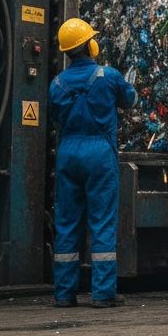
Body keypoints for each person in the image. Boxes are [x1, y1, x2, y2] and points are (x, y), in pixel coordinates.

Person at [49, 18, 137, 308]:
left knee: (66, 222)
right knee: (102, 222)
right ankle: (102, 293)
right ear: (90, 45)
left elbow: (54, 117)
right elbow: (130, 99)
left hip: (68, 153)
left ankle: (64, 294)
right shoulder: (108, 76)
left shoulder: (57, 83)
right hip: (98, 154)